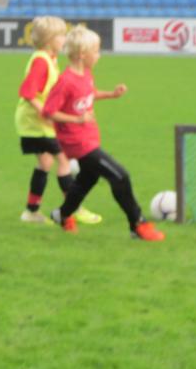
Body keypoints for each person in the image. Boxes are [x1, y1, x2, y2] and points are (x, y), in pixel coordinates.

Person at [42, 26, 165, 241]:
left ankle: (62, 215)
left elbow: (88, 95)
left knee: (86, 180)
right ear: (82, 54)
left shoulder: (85, 74)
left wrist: (111, 94)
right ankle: (138, 224)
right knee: (120, 176)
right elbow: (48, 112)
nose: (99, 55)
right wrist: (77, 120)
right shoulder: (66, 81)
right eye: (96, 51)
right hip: (76, 142)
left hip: (89, 137)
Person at [15, 16, 101, 226]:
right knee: (63, 161)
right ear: (49, 39)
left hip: (34, 122)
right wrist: (46, 113)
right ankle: (74, 209)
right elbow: (27, 92)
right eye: (61, 35)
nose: (64, 39)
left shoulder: (49, 59)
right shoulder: (41, 61)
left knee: (45, 163)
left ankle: (31, 212)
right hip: (35, 123)